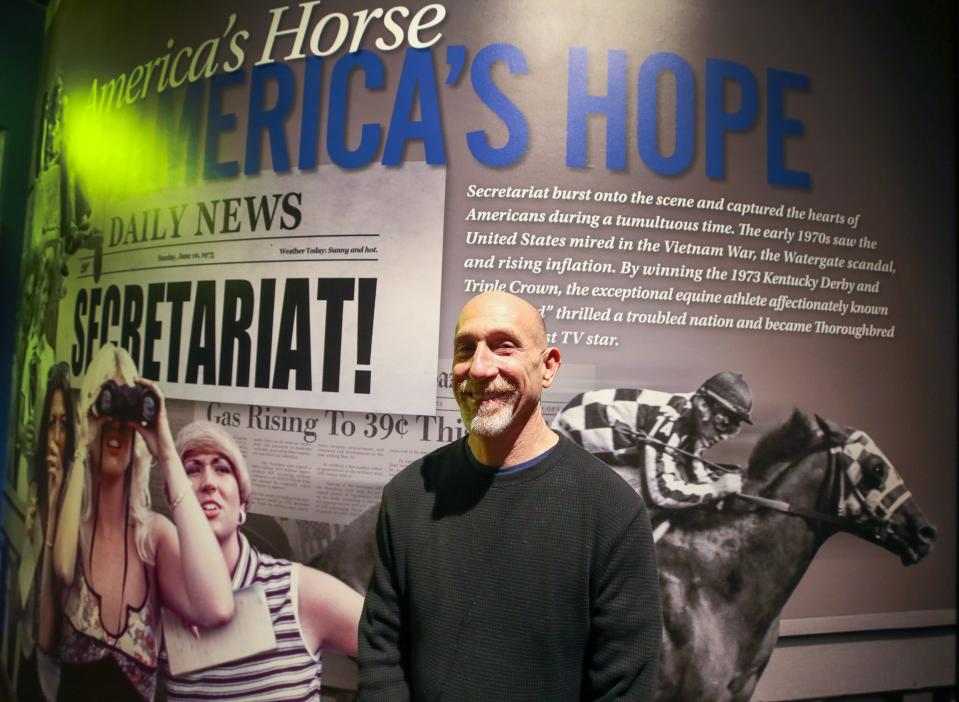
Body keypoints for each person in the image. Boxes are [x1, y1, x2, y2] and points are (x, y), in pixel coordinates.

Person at [358, 291, 661, 701]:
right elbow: (381, 659)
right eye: (466, 349)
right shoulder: (409, 494)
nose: (480, 368)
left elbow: (624, 687)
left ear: (548, 365)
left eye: (505, 346)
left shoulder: (612, 511)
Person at [53, 344, 234, 701]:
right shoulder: (72, 526)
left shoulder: (153, 538)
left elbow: (218, 606)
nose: (117, 426)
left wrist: (165, 450)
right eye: (108, 402)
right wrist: (82, 439)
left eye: (128, 407)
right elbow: (61, 568)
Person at [161, 420, 363, 701]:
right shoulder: (160, 599)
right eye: (191, 471)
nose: (208, 482)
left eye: (221, 469)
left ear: (243, 504)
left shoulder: (298, 592)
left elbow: (403, 647)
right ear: (174, 506)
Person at [551, 372, 753, 510]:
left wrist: (717, 489)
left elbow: (694, 469)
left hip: (598, 452)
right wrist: (716, 490)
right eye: (724, 422)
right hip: (565, 451)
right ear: (702, 405)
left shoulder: (692, 418)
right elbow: (660, 493)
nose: (725, 434)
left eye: (734, 428)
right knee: (637, 491)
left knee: (675, 478)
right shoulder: (670, 418)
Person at [17, 363, 75, 701]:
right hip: (25, 645)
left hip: (55, 670)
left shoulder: (74, 499)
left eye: (64, 424)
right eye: (50, 424)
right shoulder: (37, 484)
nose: (56, 436)